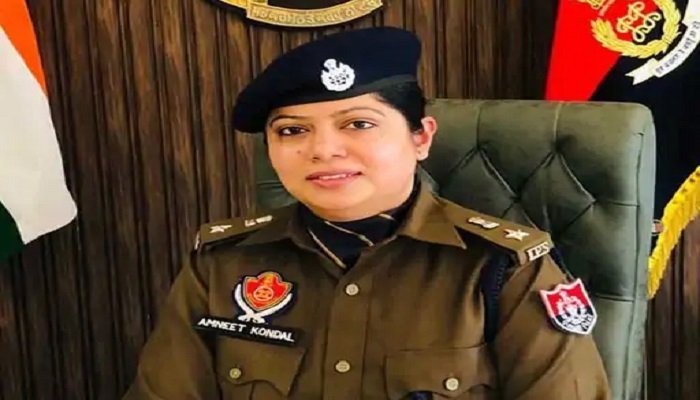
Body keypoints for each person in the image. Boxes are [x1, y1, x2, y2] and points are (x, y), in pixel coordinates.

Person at [124, 27, 611, 399]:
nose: (323, 150)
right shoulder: (223, 264)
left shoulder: (504, 269)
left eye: (358, 124)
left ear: (421, 138)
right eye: (292, 131)